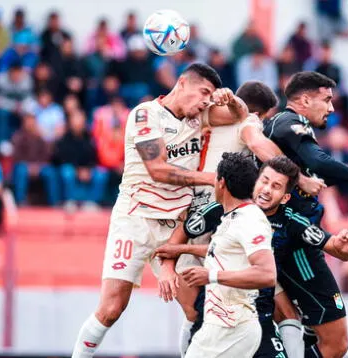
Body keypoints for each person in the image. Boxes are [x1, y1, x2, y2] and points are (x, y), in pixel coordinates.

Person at [71, 63, 246, 358]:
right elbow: (158, 169)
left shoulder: (199, 115)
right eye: (203, 92)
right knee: (112, 307)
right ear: (181, 83)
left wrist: (231, 98)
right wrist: (211, 179)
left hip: (175, 225)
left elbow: (239, 117)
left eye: (209, 96)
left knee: (198, 309)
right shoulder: (145, 115)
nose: (205, 100)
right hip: (135, 218)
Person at [160, 81, 325, 358]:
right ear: (259, 113)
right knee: (283, 309)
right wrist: (301, 179)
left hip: (196, 208)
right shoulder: (249, 123)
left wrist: (175, 255)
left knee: (194, 312)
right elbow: (259, 145)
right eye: (267, 116)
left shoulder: (206, 116)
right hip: (222, 209)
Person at [156, 156, 348, 358]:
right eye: (264, 181)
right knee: (197, 318)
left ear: (285, 197)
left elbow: (334, 247)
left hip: (255, 316)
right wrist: (172, 261)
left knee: (291, 316)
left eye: (275, 186)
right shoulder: (226, 207)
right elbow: (200, 239)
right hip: (224, 314)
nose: (266, 189)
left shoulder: (289, 221)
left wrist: (344, 247)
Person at [262, 71, 348, 355]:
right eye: (327, 100)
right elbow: (317, 162)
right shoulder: (290, 123)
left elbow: (311, 175)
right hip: (297, 246)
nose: (332, 108)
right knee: (335, 343)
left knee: (297, 330)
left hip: (291, 237)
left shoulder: (285, 130)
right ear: (305, 99)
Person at [177, 153, 277, 358]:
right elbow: (230, 256)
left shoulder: (249, 220)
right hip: (224, 325)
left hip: (231, 327)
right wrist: (181, 249)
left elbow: (267, 274)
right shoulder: (233, 217)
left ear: (221, 183)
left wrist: (211, 276)